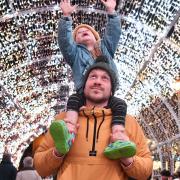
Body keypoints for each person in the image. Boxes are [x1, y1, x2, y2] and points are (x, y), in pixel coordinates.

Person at [34, 58, 153, 180]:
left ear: (112, 89)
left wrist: (127, 159)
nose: (98, 82)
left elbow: (145, 172)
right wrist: (58, 152)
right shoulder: (63, 120)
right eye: (93, 77)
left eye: (104, 78)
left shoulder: (128, 122)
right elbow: (40, 168)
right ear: (84, 85)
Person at [57, 0, 136, 159]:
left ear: (95, 36)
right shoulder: (75, 54)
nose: (83, 31)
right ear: (76, 41)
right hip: (83, 95)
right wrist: (66, 17)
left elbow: (114, 33)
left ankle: (118, 137)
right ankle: (69, 132)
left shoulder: (105, 48)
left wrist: (111, 11)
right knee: (73, 101)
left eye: (87, 30)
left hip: (108, 94)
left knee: (120, 105)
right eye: (79, 32)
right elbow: (65, 42)